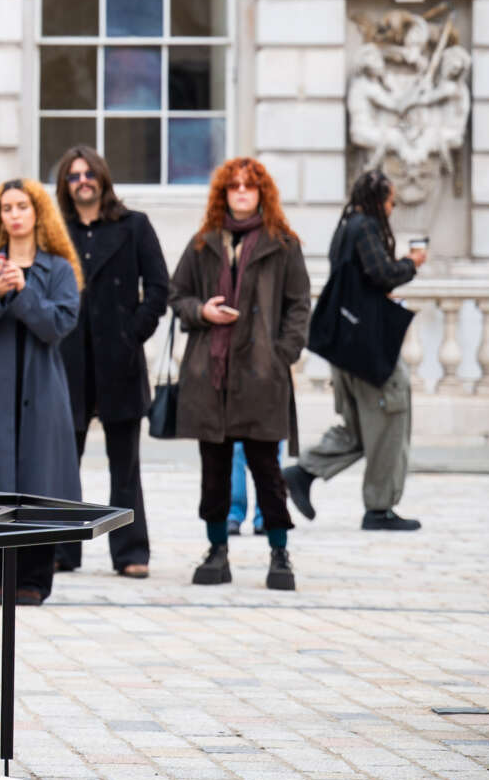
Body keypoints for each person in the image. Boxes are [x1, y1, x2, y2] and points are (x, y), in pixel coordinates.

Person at [168, 156, 312, 592]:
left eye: (250, 186)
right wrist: (202, 311)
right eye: (234, 186)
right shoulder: (204, 242)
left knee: (267, 470)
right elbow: (178, 294)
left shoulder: (283, 244)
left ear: (262, 193)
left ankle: (279, 552)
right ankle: (216, 550)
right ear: (224, 194)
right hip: (210, 378)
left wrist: (279, 354)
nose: (243, 192)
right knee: (213, 472)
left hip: (261, 377)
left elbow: (299, 306)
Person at [0, 178, 83, 605]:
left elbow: (58, 326)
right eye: (7, 207)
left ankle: (33, 578)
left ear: (37, 212)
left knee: (38, 483)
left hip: (41, 392)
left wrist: (23, 293)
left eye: (22, 206)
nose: (14, 214)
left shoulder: (59, 269)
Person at [48, 146, 167, 579]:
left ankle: (131, 552)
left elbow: (158, 287)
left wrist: (132, 333)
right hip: (69, 362)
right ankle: (62, 550)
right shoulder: (55, 233)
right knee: (63, 464)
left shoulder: (135, 226)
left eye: (88, 173)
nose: (82, 180)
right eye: (73, 175)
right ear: (65, 184)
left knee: (126, 467)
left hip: (121, 362)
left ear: (102, 178)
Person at [286, 168, 426, 531]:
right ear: (379, 201)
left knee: (358, 428)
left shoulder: (346, 227)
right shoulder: (365, 227)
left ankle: (302, 473)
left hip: (345, 345)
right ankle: (379, 508)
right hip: (367, 349)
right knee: (391, 419)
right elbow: (382, 273)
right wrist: (412, 263)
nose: (392, 209)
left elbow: (361, 280)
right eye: (391, 201)